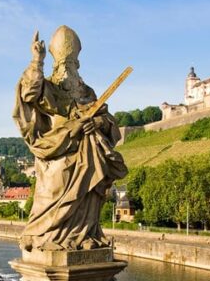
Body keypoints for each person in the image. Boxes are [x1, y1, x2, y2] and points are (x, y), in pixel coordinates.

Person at [13, 26, 127, 251]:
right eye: (64, 65)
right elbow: (29, 93)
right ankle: (48, 235)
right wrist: (37, 61)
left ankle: (84, 235)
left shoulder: (87, 92)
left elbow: (107, 118)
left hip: (87, 151)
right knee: (55, 189)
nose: (68, 70)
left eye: (72, 64)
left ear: (78, 64)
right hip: (57, 150)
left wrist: (98, 123)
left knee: (89, 194)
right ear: (56, 65)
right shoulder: (50, 88)